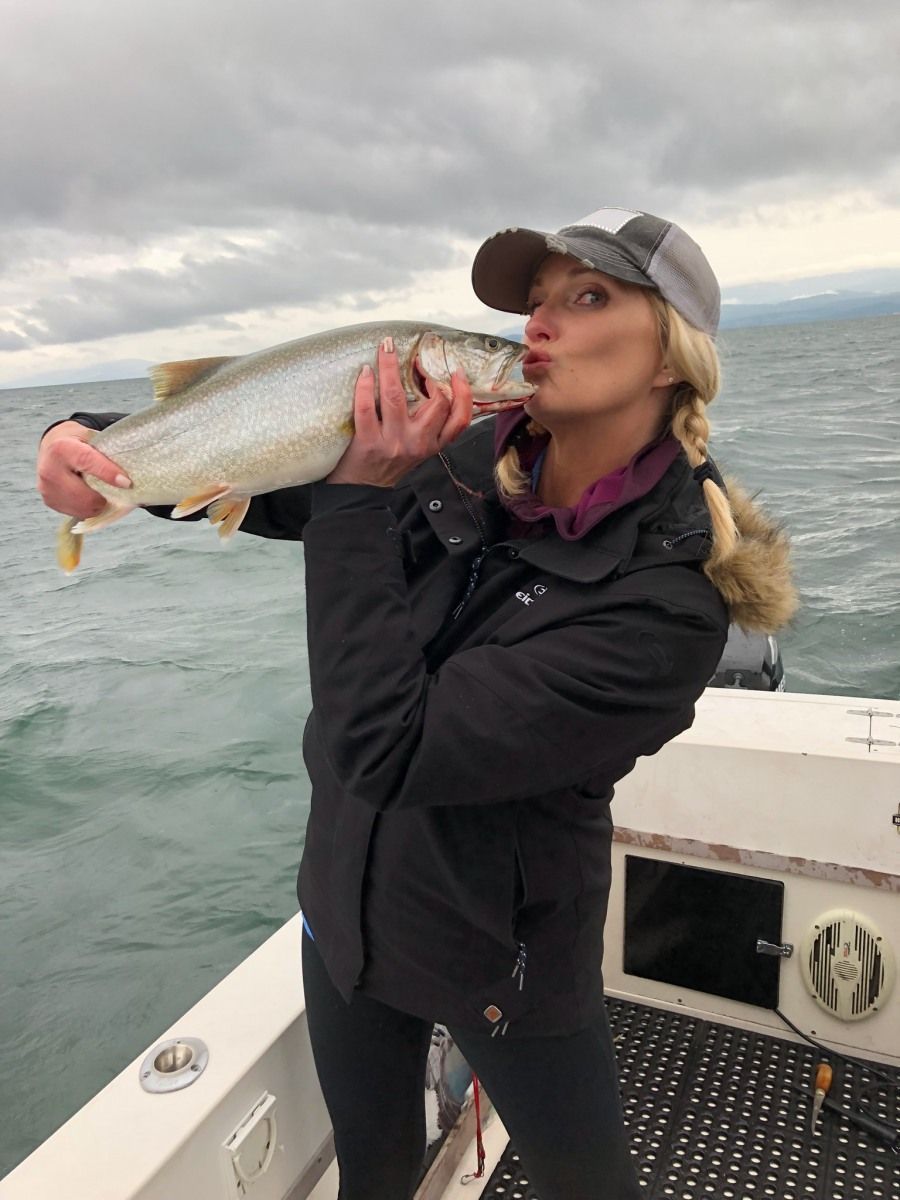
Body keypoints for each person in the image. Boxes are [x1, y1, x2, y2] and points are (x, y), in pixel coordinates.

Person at [37, 207, 797, 1199]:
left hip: (507, 961)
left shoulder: (668, 603)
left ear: (670, 357)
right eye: (533, 302)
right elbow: (268, 470)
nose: (538, 324)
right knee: (372, 1179)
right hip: (348, 916)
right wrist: (82, 444)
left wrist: (359, 493)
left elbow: (391, 747)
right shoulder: (465, 455)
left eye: (587, 297)